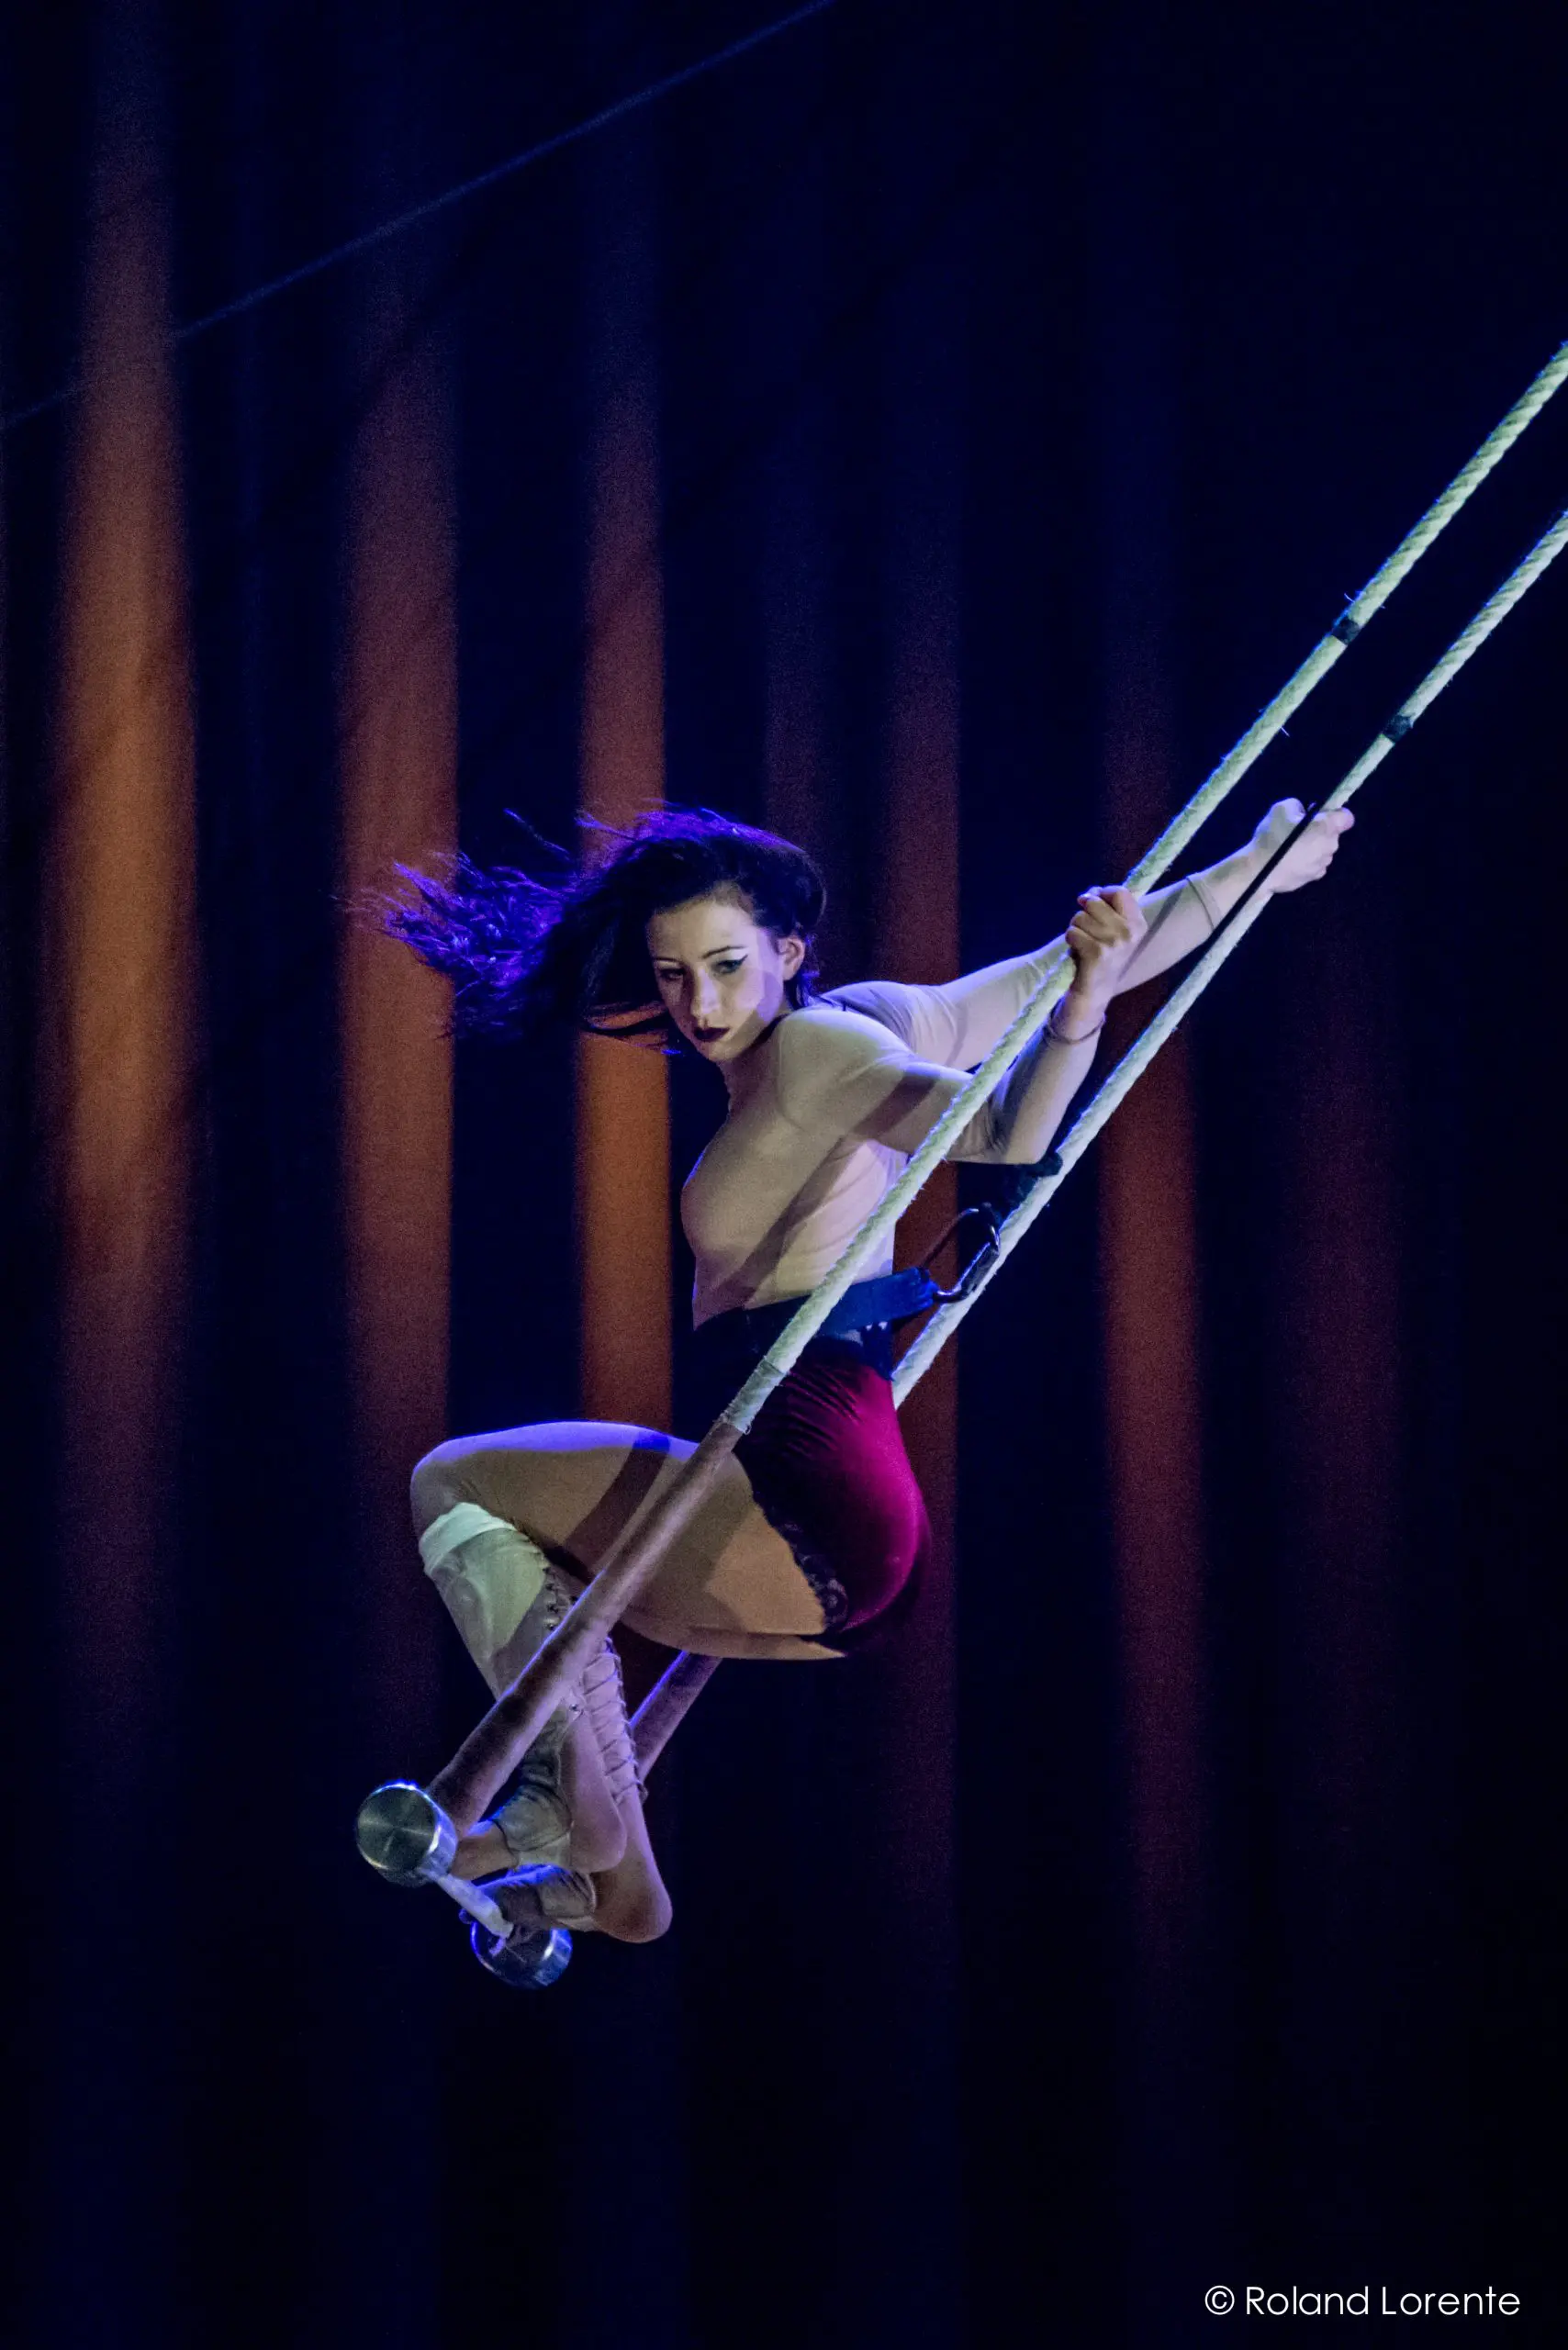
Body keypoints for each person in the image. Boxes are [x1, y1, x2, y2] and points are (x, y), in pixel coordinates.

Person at [388, 797, 1351, 1945]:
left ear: (790, 953)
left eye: (730, 966)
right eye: (675, 973)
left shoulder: (821, 1050)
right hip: (842, 1533)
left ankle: (574, 1826)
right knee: (556, 1575)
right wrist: (1253, 870)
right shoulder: (866, 1022)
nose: (701, 1004)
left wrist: (1088, 1011)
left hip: (802, 1493)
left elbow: (1005, 1134)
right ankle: (618, 1874)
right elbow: (1067, 959)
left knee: (458, 1485)